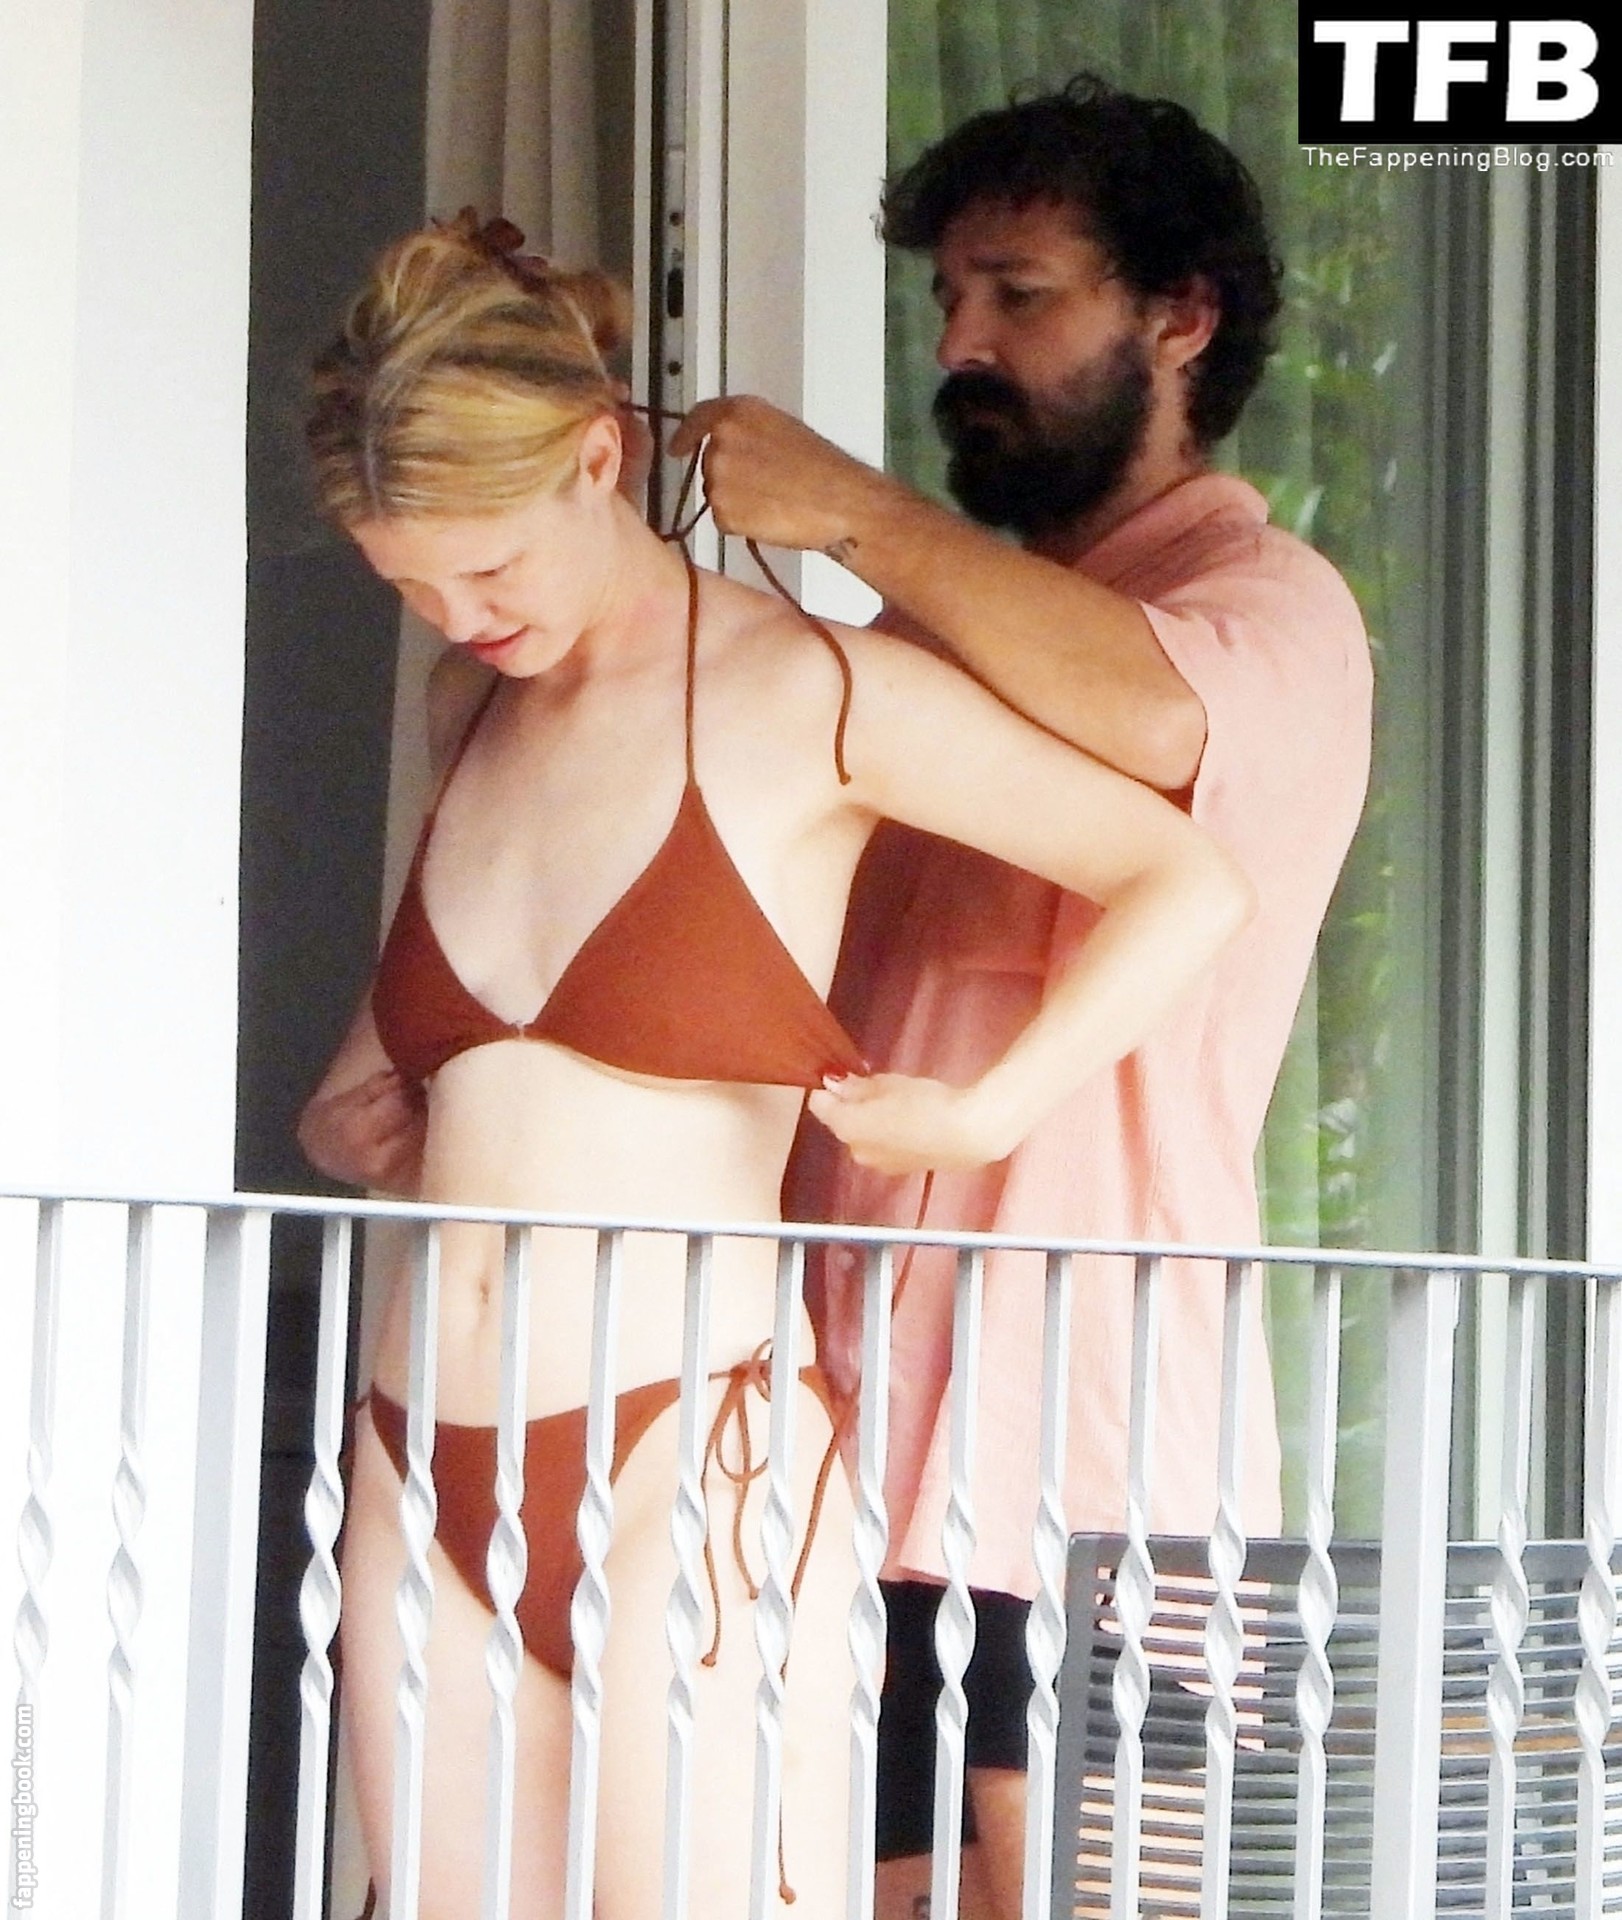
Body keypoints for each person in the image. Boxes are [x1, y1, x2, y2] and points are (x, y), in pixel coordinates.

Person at [295, 208, 1252, 1920]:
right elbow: (407, 1061)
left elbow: (1183, 878)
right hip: (414, 1445)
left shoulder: (810, 691)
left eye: (489, 570)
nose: (457, 613)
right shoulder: (471, 708)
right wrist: (358, 1108)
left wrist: (987, 1108)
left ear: (598, 461)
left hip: (686, 1444)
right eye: (410, 583)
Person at [671, 73, 1373, 1920]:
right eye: (944, 300)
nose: (957, 345)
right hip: (832, 1425)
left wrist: (846, 509)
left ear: (1180, 316)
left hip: (1089, 1435)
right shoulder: (927, 634)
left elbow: (1145, 712)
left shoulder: (1270, 599)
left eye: (1018, 293)